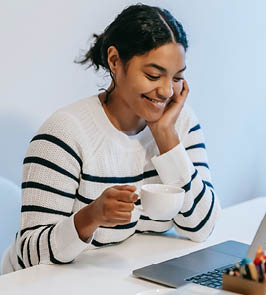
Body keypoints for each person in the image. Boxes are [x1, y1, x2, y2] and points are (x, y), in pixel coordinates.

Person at [1, 3, 221, 274]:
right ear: (115, 61)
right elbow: (30, 256)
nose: (166, 91)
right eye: (153, 75)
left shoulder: (179, 122)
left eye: (177, 77)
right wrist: (89, 218)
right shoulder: (64, 134)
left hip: (122, 280)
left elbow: (203, 227)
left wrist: (166, 138)